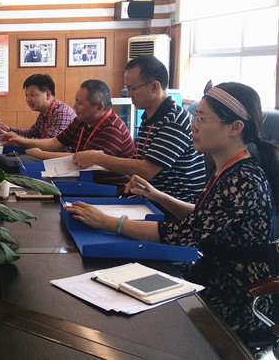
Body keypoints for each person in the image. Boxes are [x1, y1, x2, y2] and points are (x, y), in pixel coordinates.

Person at [65, 83, 278, 344]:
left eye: (201, 119)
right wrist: (159, 196)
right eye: (195, 117)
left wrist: (108, 222)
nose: (193, 126)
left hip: (235, 296)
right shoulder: (228, 168)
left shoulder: (243, 179)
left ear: (235, 128)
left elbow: (182, 233)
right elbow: (205, 216)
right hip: (209, 275)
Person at [72, 56, 205, 204]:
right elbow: (139, 165)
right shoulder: (148, 118)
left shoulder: (175, 120)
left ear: (154, 87)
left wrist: (97, 158)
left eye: (132, 89)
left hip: (173, 206)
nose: (128, 94)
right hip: (147, 200)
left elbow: (147, 170)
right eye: (127, 88)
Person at [0, 79, 134, 186]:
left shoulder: (112, 130)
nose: (74, 107)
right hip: (79, 179)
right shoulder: (83, 119)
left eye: (79, 103)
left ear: (99, 108)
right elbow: (56, 142)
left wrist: (38, 153)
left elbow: (80, 160)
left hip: (105, 189)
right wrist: (21, 141)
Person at [0, 74, 76, 172]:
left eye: (32, 95)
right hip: (43, 157)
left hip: (58, 164)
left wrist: (20, 140)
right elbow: (31, 133)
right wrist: (9, 130)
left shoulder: (62, 113)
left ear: (48, 94)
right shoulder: (45, 112)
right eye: (26, 95)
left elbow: (50, 145)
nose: (28, 100)